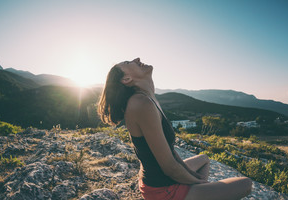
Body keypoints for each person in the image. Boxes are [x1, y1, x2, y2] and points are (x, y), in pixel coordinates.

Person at [98, 58, 252, 200]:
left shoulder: (147, 98)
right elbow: (169, 167)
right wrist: (199, 182)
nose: (136, 59)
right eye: (128, 62)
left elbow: (170, 152)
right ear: (126, 79)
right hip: (161, 189)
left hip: (159, 180)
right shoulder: (140, 103)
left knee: (204, 159)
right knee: (246, 184)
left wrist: (192, 178)